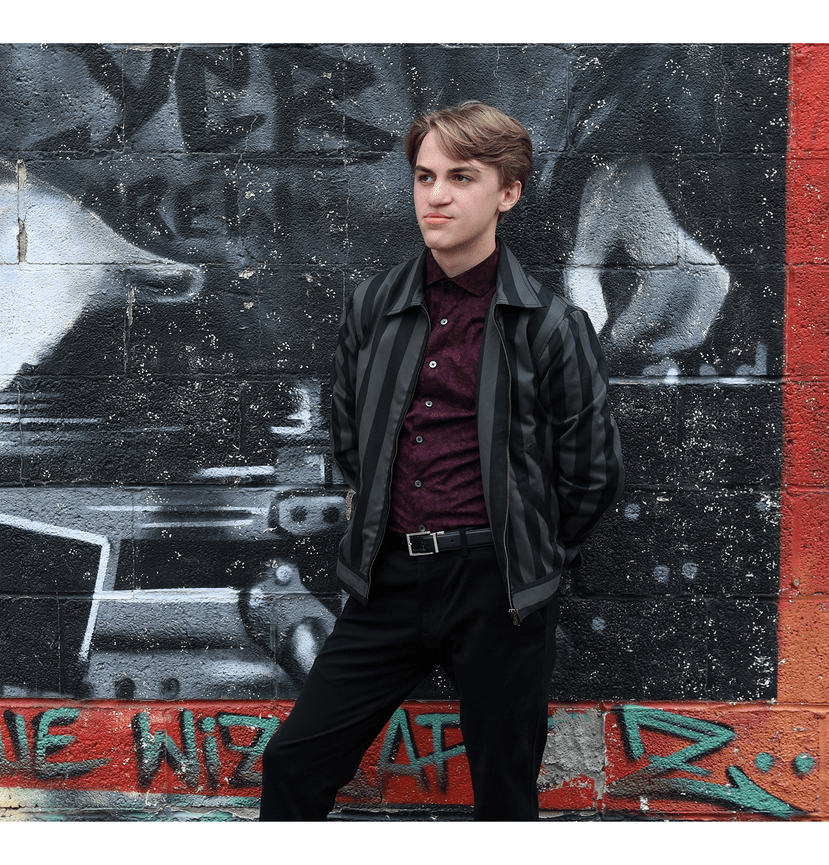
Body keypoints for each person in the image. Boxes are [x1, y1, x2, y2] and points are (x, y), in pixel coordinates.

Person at [258, 101, 624, 821]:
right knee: (295, 762)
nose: (437, 194)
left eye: (462, 176)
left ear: (508, 192)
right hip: (388, 580)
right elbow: (350, 436)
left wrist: (533, 553)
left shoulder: (549, 325)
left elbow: (592, 470)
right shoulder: (374, 308)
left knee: (503, 793)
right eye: (424, 176)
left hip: (500, 588)